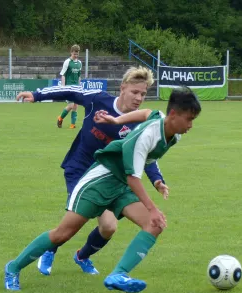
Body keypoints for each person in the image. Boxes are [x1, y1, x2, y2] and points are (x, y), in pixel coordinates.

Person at [5, 87, 201, 293]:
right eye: (188, 119)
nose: (190, 125)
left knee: (154, 225)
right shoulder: (148, 134)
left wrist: (117, 121)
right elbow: (132, 177)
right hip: (100, 181)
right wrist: (152, 208)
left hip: (120, 186)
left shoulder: (167, 126)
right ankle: (13, 267)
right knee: (62, 234)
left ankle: (118, 274)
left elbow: (146, 113)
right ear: (173, 114)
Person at [16, 66, 169, 278]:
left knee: (108, 227)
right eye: (135, 92)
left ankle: (82, 256)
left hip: (108, 176)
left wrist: (157, 180)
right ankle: (50, 249)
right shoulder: (98, 99)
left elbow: (144, 156)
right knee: (74, 222)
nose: (139, 98)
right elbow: (70, 90)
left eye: (143, 94)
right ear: (123, 88)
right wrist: (36, 94)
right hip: (79, 168)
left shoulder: (139, 123)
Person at [57, 44, 82, 129]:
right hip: (68, 87)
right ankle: (61, 118)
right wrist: (63, 87)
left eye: (77, 54)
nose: (76, 55)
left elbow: (79, 75)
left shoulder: (79, 63)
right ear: (71, 52)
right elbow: (63, 75)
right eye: (74, 54)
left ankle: (72, 124)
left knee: (75, 105)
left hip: (76, 87)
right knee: (71, 105)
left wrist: (79, 86)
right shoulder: (67, 62)